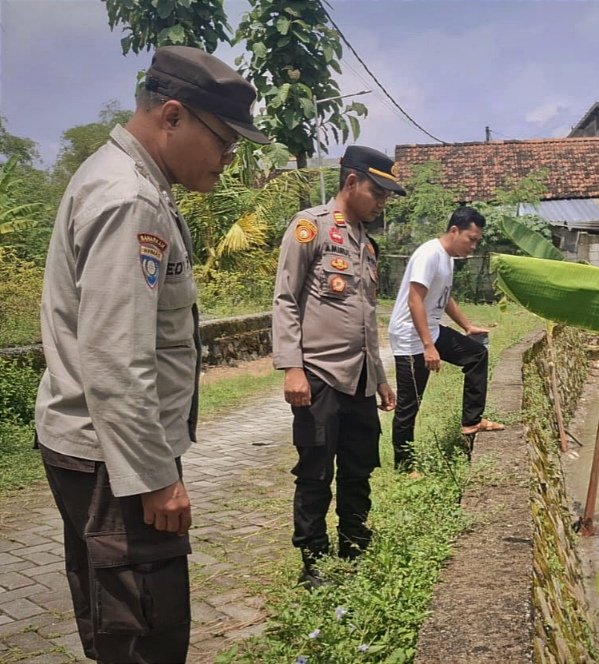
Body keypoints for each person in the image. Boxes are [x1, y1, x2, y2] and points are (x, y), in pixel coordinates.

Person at [35, 46, 269, 663]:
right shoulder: (129, 199)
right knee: (146, 636)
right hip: (118, 462)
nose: (229, 159)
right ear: (172, 116)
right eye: (225, 141)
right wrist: (158, 480)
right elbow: (117, 357)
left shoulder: (128, 184)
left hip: (106, 454)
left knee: (120, 628)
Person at [272, 146, 401, 588]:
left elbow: (366, 316)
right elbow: (286, 298)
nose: (382, 202)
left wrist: (381, 378)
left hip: (361, 380)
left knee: (359, 467)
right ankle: (313, 562)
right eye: (377, 191)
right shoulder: (312, 229)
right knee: (314, 472)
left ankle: (355, 547)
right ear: (351, 183)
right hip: (320, 376)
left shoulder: (367, 243)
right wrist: (292, 367)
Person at [388, 206, 505, 472]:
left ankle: (471, 421)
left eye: (477, 241)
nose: (473, 246)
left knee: (476, 354)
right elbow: (414, 298)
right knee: (410, 404)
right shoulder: (429, 255)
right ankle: (404, 467)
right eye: (471, 239)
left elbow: (444, 296)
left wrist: (467, 325)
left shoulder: (448, 258)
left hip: (432, 330)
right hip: (411, 337)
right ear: (454, 231)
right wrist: (429, 347)